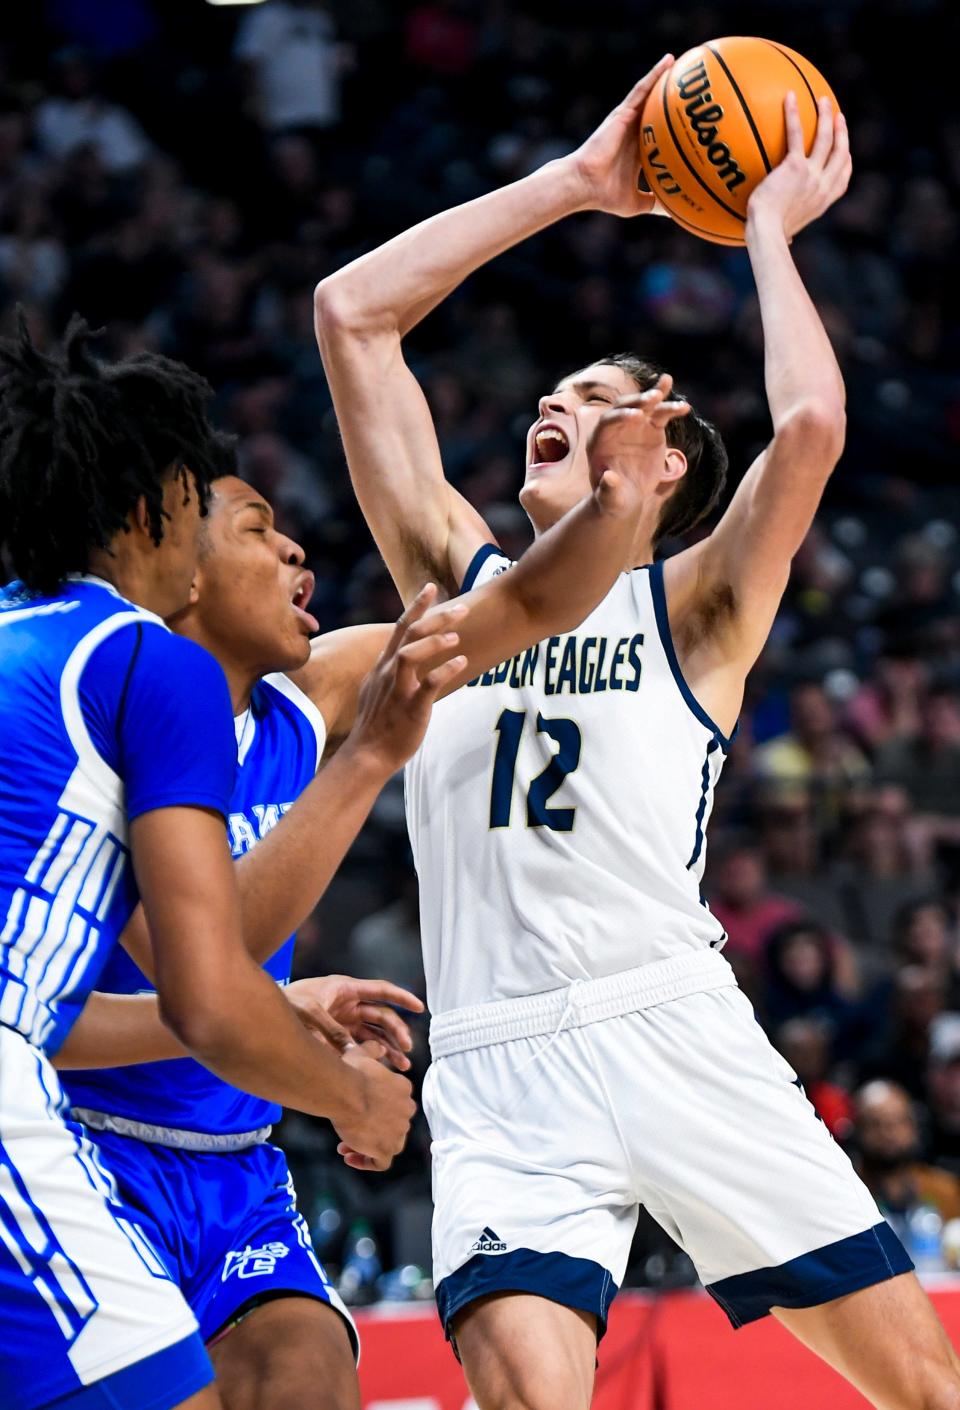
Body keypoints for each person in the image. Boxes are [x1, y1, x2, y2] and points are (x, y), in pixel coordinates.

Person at [315, 57, 960, 1410]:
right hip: (496, 1064)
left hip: (671, 1025)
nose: (561, 401)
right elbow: (353, 316)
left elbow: (814, 421)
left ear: (667, 462)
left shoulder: (703, 604)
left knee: (924, 1386)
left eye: (605, 393)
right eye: (556, 391)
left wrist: (767, 229)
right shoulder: (457, 571)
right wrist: (574, 185)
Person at [49, 419, 689, 1410]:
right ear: (179, 566)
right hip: (85, 1145)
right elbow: (204, 975)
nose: (295, 548)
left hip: (235, 1174)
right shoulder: (106, 719)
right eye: (257, 529)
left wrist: (617, 506)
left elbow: (518, 605)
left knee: (312, 1381)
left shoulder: (311, 695)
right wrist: (305, 1049)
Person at [0, 319, 412, 1410]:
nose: (275, 546)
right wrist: (353, 1100)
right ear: (152, 516)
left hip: (145, 1123)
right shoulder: (151, 665)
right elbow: (212, 998)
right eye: (209, 507)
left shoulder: (18, 642)